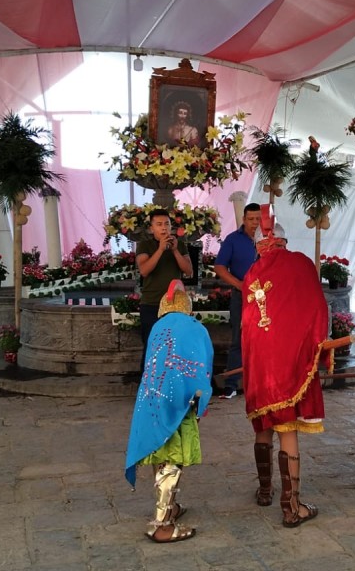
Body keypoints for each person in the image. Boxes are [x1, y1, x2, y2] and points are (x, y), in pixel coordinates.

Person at [243, 218, 331, 527]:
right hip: (289, 360)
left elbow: (248, 324)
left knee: (264, 421)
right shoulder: (300, 264)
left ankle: (266, 490)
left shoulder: (253, 273)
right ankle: (292, 506)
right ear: (283, 240)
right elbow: (317, 307)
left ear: (259, 246)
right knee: (287, 427)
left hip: (260, 360)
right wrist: (317, 344)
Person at [124, 280, 213, 543]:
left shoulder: (157, 327)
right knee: (173, 458)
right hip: (178, 401)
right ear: (187, 306)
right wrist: (200, 399)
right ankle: (162, 524)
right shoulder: (195, 327)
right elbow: (201, 368)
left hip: (151, 399)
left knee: (159, 452)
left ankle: (170, 507)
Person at [214, 202, 261, 398]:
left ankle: (263, 382)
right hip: (241, 296)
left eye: (258, 219)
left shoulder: (269, 240)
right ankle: (231, 385)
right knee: (238, 339)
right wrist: (239, 284)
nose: (255, 223)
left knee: (265, 337)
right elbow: (219, 267)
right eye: (251, 219)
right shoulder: (233, 240)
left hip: (266, 295)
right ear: (244, 219)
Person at [136, 210, 194, 358]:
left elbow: (188, 271)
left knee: (175, 346)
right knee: (151, 345)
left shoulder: (179, 245)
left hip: (174, 304)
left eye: (166, 224)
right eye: (159, 224)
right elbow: (144, 270)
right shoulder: (145, 245)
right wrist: (161, 249)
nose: (163, 228)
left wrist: (174, 251)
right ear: (151, 228)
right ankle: (148, 379)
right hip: (151, 302)